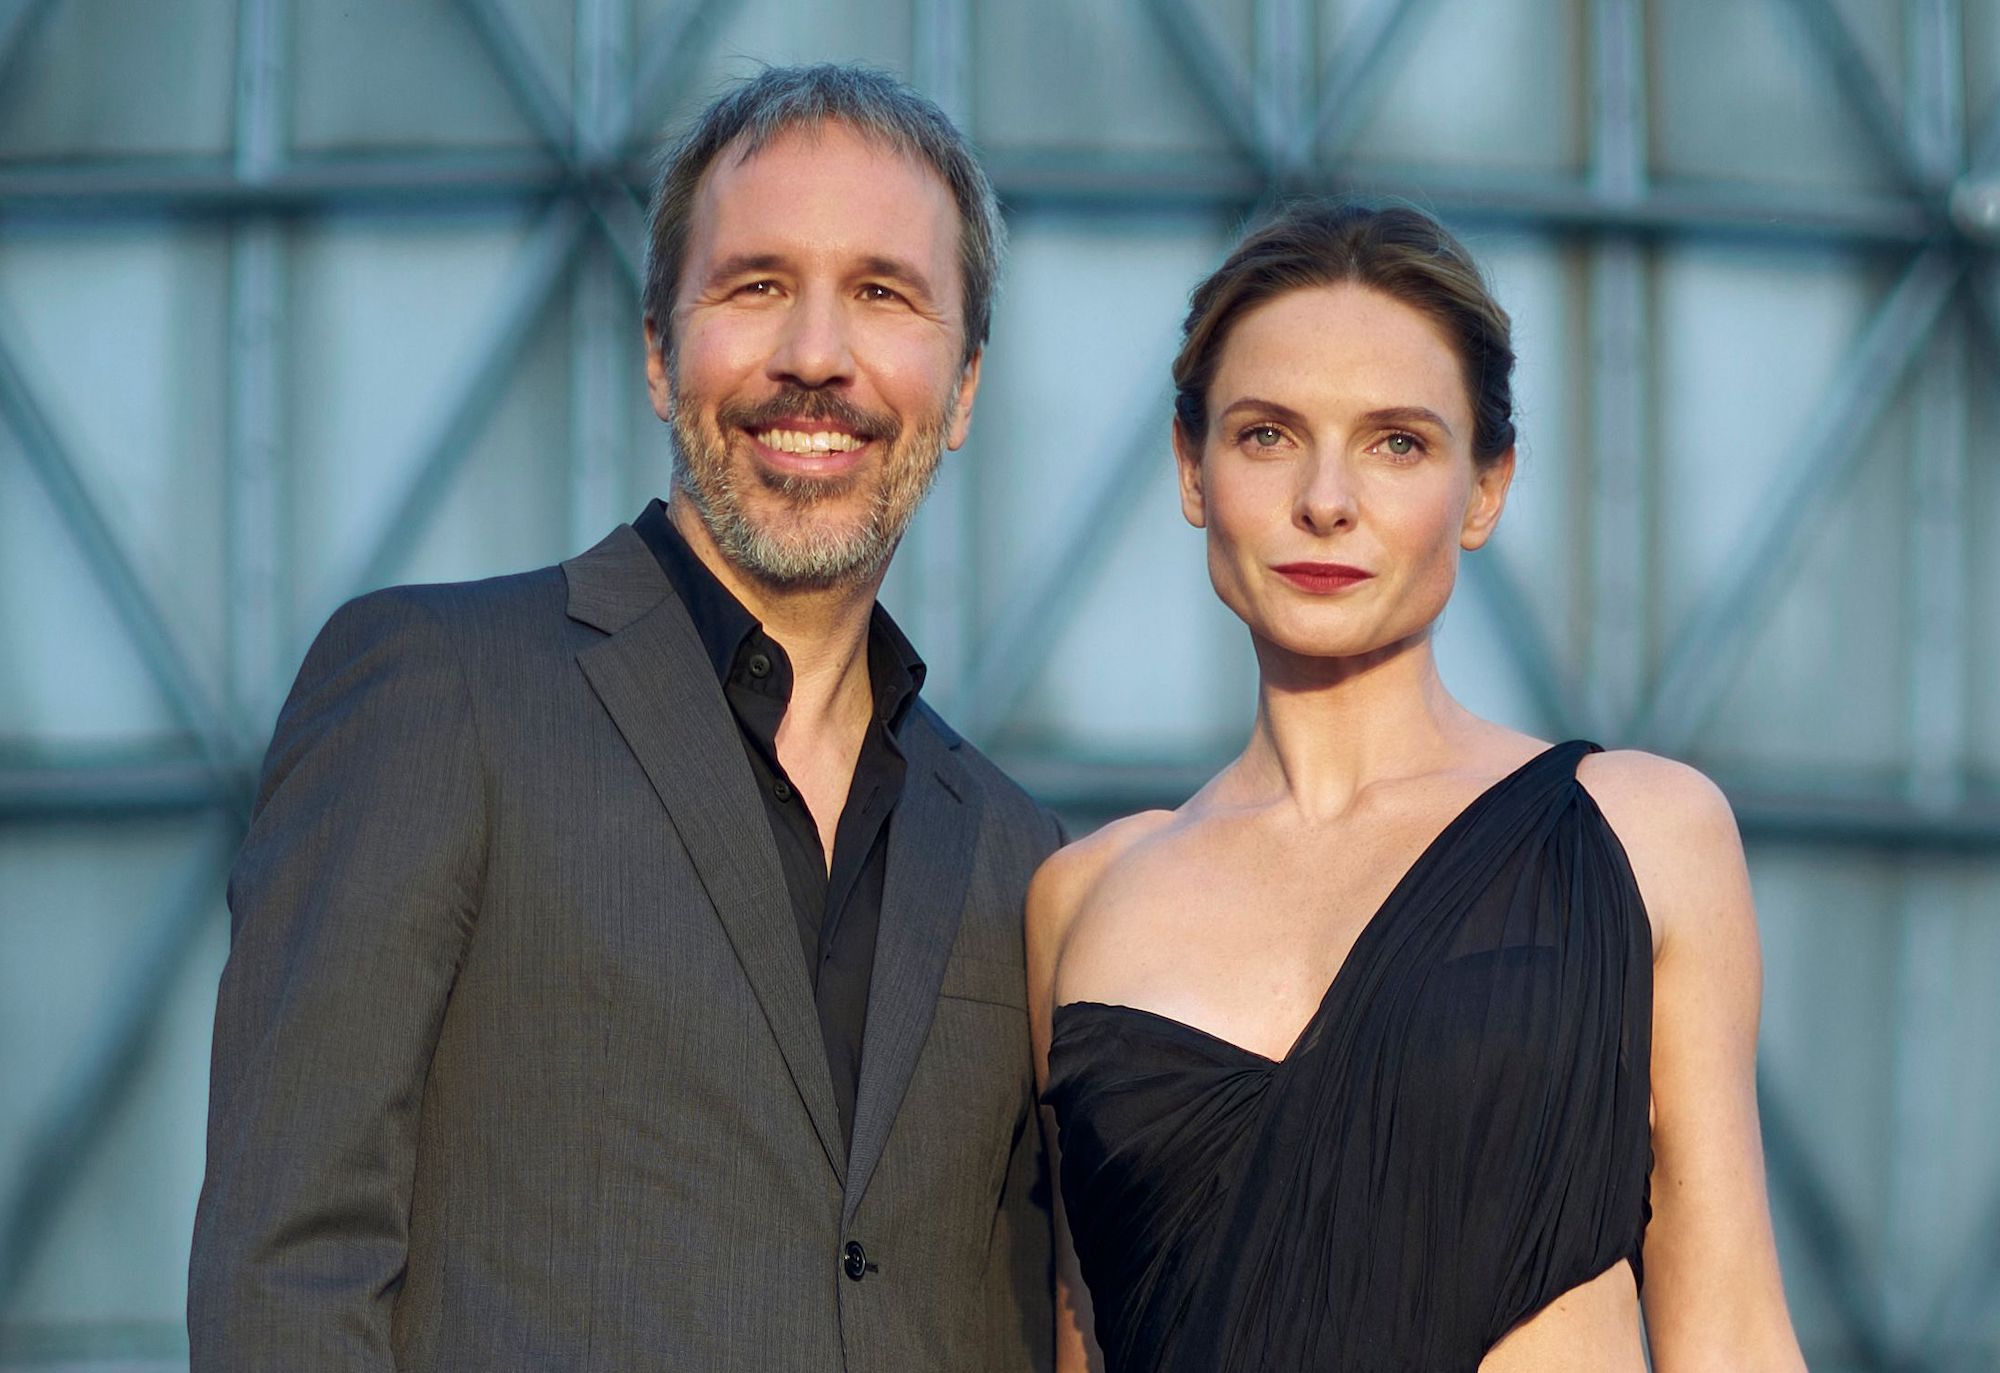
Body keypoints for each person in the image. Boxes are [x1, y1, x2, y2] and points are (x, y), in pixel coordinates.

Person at [190, 64, 1061, 1372]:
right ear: (659, 355)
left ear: (966, 389)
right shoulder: (436, 691)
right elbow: (290, 1270)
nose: (815, 357)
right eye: (756, 285)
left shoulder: (1021, 852)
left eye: (883, 294)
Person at [1027, 201, 1808, 1372]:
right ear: (1191, 469)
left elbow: (1733, 1333)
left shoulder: (1637, 833)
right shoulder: (1082, 897)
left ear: (1484, 488)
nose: (1325, 500)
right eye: (1265, 435)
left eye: (1397, 441)